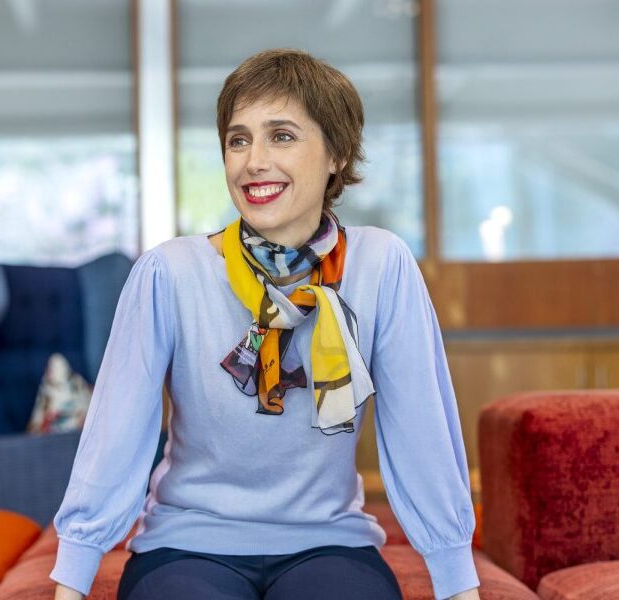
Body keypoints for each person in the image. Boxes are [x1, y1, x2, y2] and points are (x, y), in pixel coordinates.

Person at [50, 48, 481, 600]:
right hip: (187, 542)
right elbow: (117, 431)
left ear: (336, 153)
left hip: (330, 541)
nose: (253, 161)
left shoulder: (381, 264)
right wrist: (73, 575)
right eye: (238, 140)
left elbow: (420, 428)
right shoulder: (170, 272)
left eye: (281, 136)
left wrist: (455, 577)